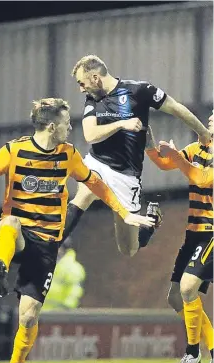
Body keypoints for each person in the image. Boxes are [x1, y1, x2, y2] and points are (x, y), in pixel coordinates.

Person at [0, 97, 154, 363]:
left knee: (28, 318)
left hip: (46, 246)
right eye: (68, 123)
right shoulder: (14, 151)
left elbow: (95, 184)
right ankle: (0, 267)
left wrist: (124, 213)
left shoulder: (68, 155)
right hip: (17, 236)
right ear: (53, 126)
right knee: (10, 222)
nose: (71, 128)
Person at [60, 55, 211, 258]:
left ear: (95, 78)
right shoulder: (92, 99)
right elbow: (90, 135)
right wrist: (121, 124)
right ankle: (49, 246)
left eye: (82, 83)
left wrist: (203, 132)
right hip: (98, 163)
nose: (81, 89)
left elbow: (176, 108)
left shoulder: (140, 90)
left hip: (126, 176)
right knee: (84, 195)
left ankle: (148, 228)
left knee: (128, 249)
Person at [145, 114, 213, 363]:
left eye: (212, 120)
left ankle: (193, 352)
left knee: (187, 289)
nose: (208, 121)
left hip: (212, 234)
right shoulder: (197, 149)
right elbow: (164, 164)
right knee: (175, 297)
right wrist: (149, 144)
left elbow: (202, 178)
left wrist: (178, 157)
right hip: (194, 234)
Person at [42, 238, 86, 311]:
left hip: (60, 315)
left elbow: (74, 293)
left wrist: (65, 311)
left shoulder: (73, 269)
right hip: (40, 314)